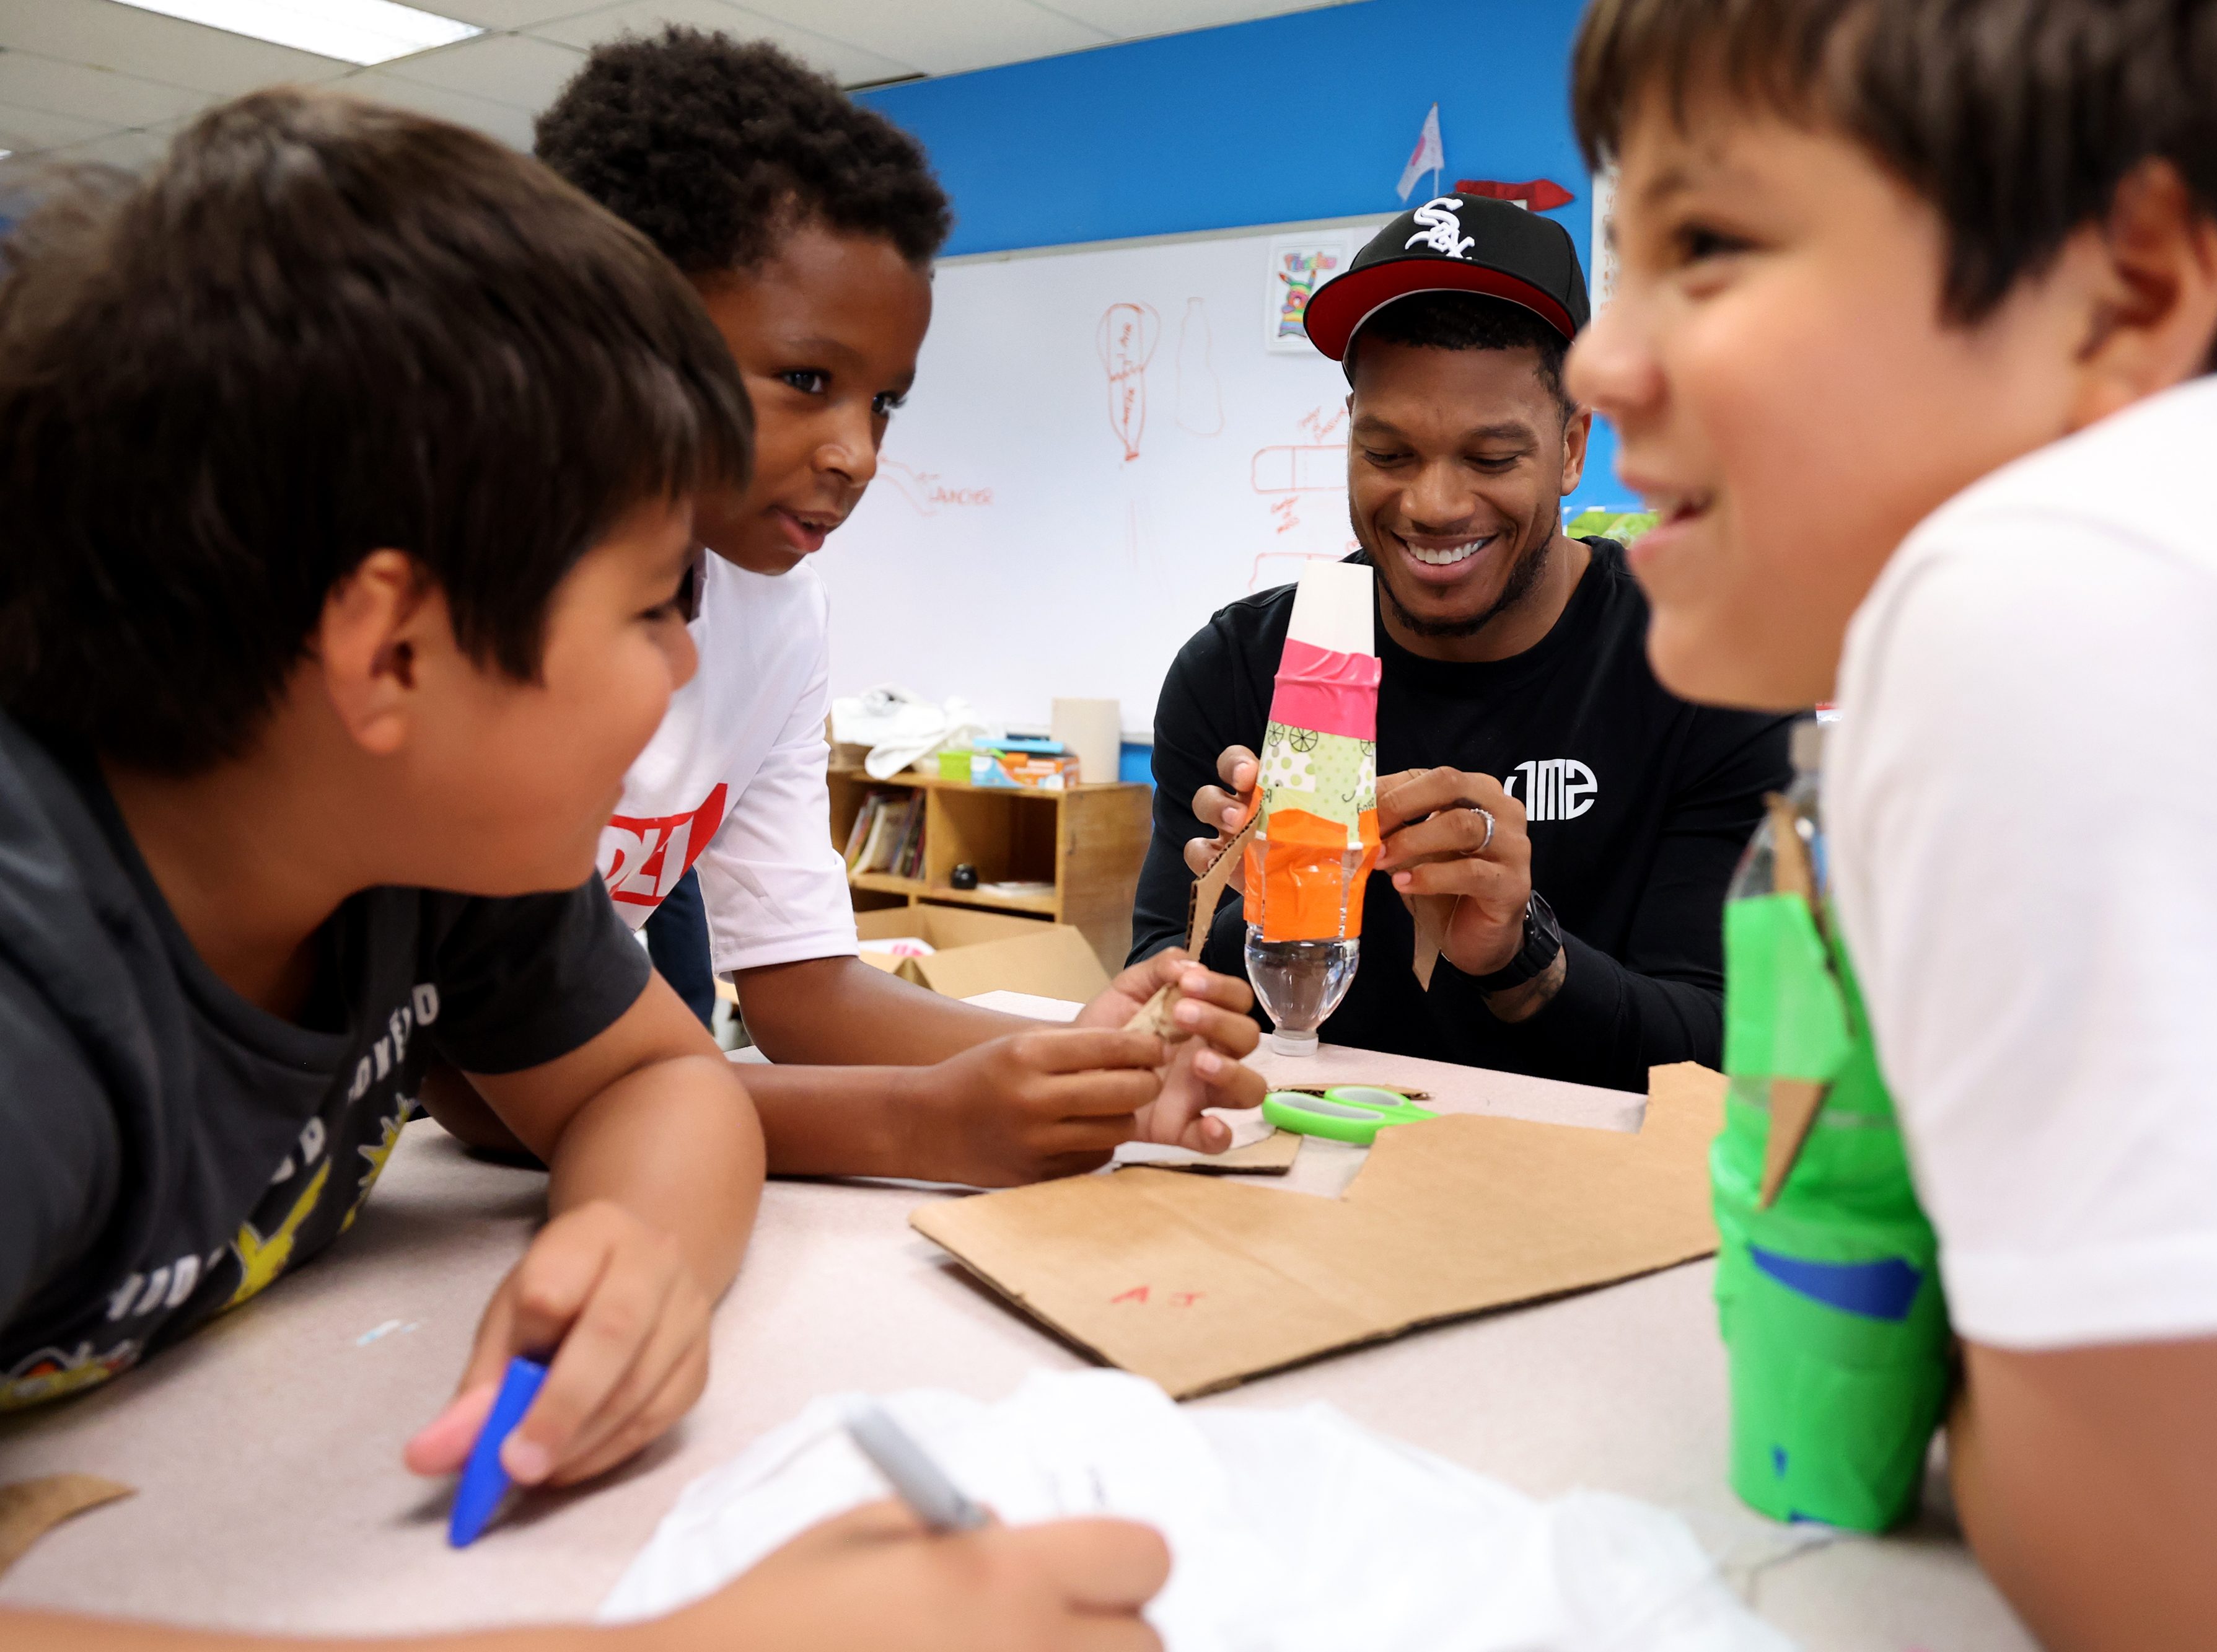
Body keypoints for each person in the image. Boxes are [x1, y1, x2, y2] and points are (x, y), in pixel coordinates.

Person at [0, 90, 1164, 1649]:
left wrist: (638, 1243)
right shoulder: (33, 1010)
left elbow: (659, 1083)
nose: (686, 671)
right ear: (393, 653)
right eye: (653, 608)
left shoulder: (432, 850)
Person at [1566, 0, 2217, 1645]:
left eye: (1706, 245)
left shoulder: (2036, 593)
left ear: (2125, 291)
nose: (1599, 362)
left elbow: (2187, 1581)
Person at [460, 27, 1262, 1186]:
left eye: (886, 401)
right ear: (623, 333)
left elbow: (802, 991)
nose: (859, 454)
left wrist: (1083, 1060)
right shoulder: (466, 612)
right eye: (806, 380)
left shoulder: (780, 612)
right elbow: (490, 1080)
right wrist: (925, 1121)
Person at [1132, 194, 1793, 1093]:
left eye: (1490, 459)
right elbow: (1156, 1011)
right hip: (1297, 1158)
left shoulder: (1714, 670)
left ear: (1571, 448)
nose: (1433, 505)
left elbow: (1729, 1054)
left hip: (1586, 1179)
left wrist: (1521, 954)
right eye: (1389, 454)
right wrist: (1238, 910)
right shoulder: (1238, 671)